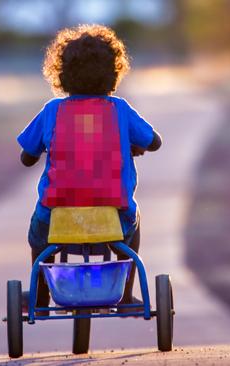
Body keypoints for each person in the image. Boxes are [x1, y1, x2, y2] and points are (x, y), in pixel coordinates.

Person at [17, 24, 162, 313]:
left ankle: (40, 295)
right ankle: (125, 295)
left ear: (61, 73)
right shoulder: (120, 109)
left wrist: (43, 150)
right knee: (134, 227)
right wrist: (133, 145)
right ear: (114, 72)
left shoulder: (51, 111)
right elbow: (155, 142)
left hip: (56, 217)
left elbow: (26, 157)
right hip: (114, 217)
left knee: (37, 238)